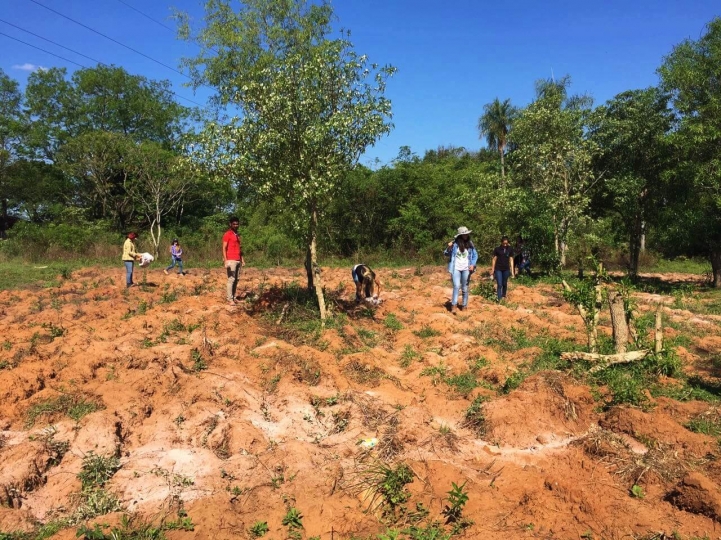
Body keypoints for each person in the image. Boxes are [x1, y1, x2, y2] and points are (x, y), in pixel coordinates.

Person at [444, 226, 478, 313]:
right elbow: (446, 253)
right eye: (464, 234)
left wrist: (472, 264)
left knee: (465, 288)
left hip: (466, 268)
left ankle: (464, 306)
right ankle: (454, 305)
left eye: (467, 234)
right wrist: (449, 247)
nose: (466, 235)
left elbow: (475, 255)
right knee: (456, 286)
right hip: (456, 268)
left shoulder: (470, 244)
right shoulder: (454, 244)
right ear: (460, 235)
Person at [222, 216, 245, 305]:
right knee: (231, 279)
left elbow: (240, 248)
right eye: (234, 224)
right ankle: (229, 299)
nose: (236, 225)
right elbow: (224, 248)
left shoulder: (238, 235)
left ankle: (234, 297)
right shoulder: (227, 234)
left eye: (237, 224)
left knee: (236, 279)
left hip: (238, 259)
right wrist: (225, 260)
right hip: (231, 260)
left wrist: (242, 259)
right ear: (230, 224)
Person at [491, 235, 515, 301]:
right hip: (498, 268)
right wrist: (493, 269)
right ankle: (499, 299)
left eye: (506, 243)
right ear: (501, 242)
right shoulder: (497, 249)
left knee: (504, 283)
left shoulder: (510, 249)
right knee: (499, 284)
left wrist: (512, 271)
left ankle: (504, 294)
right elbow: (494, 259)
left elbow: (511, 259)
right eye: (504, 243)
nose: (505, 245)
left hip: (506, 269)